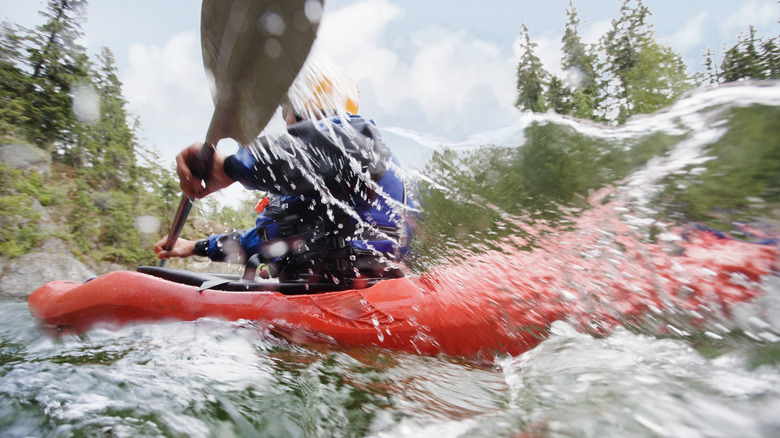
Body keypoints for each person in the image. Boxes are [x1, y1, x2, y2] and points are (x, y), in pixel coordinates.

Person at [154, 69, 410, 286]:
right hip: (325, 302)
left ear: (302, 112)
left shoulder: (357, 142)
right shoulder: (310, 186)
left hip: (354, 301)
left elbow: (336, 151)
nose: (286, 123)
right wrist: (195, 247)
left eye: (286, 111)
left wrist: (230, 167)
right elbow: (260, 241)